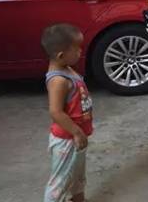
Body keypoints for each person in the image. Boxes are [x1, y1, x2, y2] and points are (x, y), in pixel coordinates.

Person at [42, 24, 92, 202]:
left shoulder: (67, 68)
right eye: (77, 49)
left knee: (77, 175)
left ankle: (79, 199)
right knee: (60, 181)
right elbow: (55, 112)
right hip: (67, 139)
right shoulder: (58, 80)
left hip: (77, 137)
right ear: (61, 55)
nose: (80, 51)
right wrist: (76, 132)